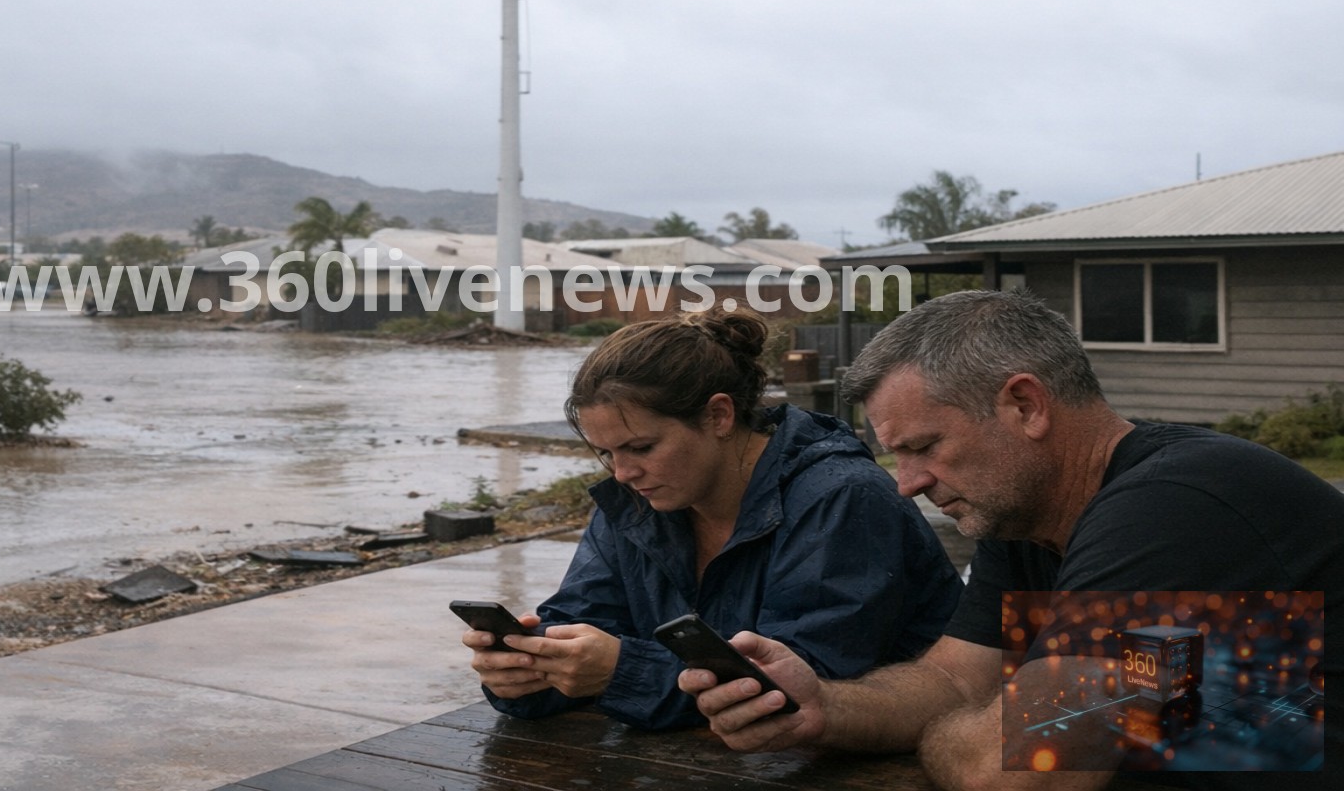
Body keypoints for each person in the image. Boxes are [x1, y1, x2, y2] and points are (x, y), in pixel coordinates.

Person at [678, 290, 1343, 790]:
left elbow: (1022, 767)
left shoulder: (1175, 505)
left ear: (1024, 405)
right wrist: (820, 708)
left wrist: (963, 730)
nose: (907, 484)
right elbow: (950, 678)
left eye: (924, 447)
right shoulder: (1023, 514)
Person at [462, 306, 962, 731]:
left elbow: (802, 682)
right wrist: (525, 673)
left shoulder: (843, 498)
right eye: (605, 452)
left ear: (719, 416)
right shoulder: (637, 503)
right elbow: (583, 621)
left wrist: (620, 672)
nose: (622, 473)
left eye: (641, 447)